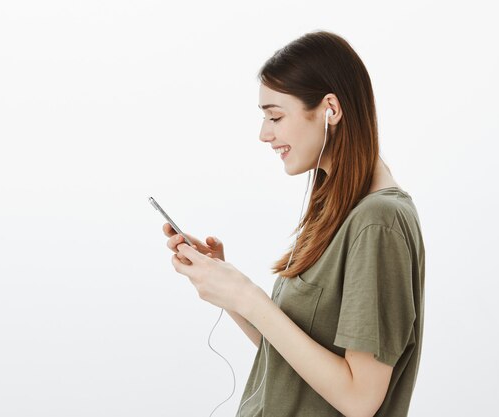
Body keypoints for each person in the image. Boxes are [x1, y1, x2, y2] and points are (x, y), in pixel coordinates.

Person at [163, 30, 424, 417]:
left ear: (330, 109)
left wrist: (248, 295)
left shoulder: (378, 222)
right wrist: (228, 289)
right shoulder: (339, 210)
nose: (265, 134)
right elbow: (294, 363)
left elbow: (359, 398)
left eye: (275, 116)